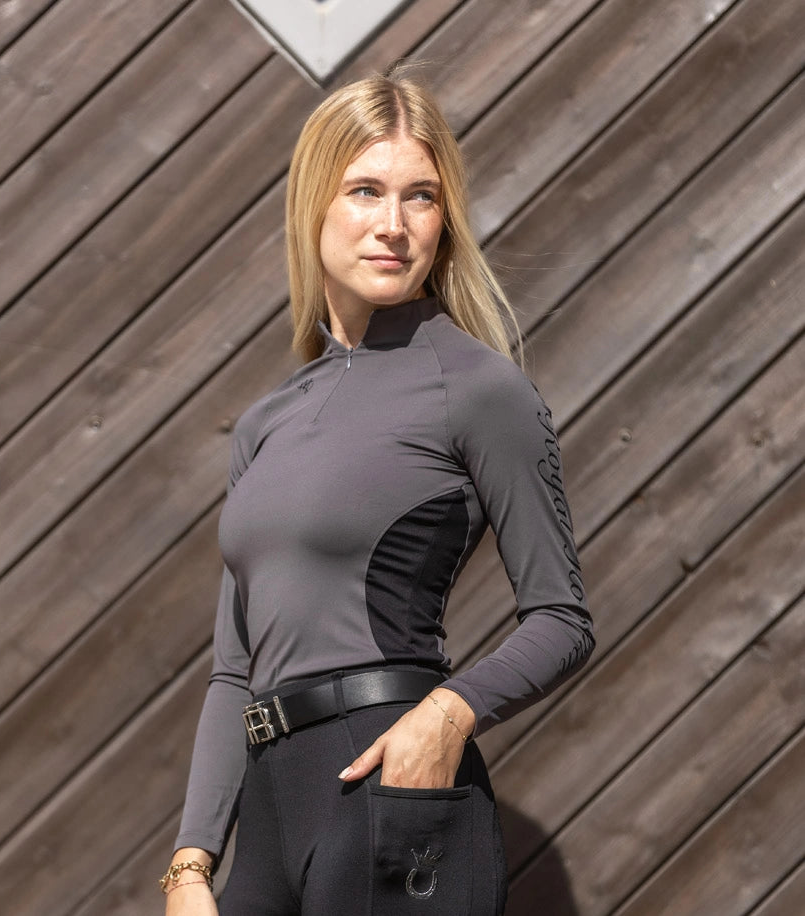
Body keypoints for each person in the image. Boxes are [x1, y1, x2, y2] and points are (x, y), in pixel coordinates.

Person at [161, 71, 595, 916]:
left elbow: (563, 619)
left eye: (420, 197)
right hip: (268, 818)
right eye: (365, 190)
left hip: (392, 791)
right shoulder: (265, 423)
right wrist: (190, 862)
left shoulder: (479, 389)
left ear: (444, 219)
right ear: (314, 206)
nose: (393, 224)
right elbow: (234, 671)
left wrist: (450, 714)